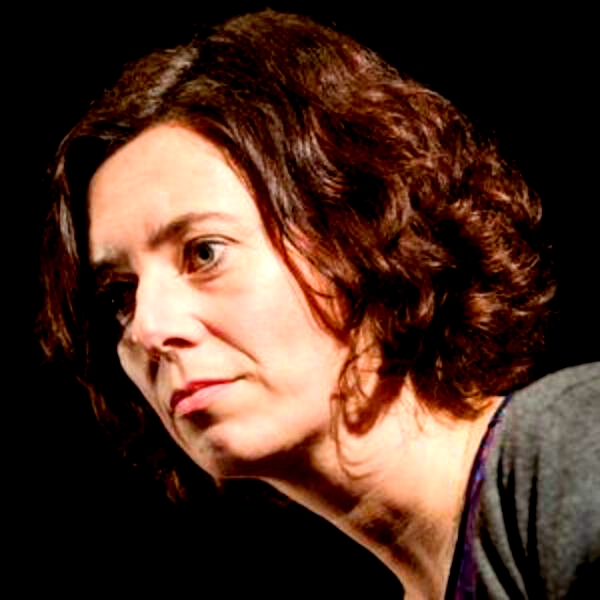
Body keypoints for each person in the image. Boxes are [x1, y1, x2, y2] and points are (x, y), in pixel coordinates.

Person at [38, 10, 599, 598]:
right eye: (120, 296)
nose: (147, 328)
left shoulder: (573, 445)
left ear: (359, 232)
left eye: (204, 253)